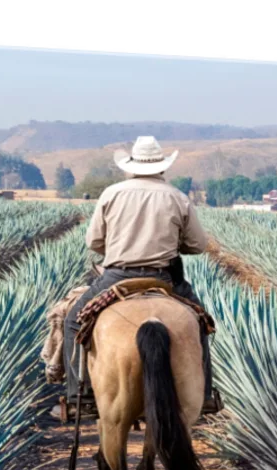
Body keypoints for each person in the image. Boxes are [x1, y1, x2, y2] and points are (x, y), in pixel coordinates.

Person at [57, 136, 221, 421]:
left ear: (131, 165)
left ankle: (78, 395)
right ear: (162, 167)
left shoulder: (112, 194)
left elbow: (94, 241)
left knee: (73, 321)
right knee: (200, 323)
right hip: (165, 277)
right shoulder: (177, 197)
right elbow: (197, 245)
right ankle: (203, 395)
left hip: (117, 275)